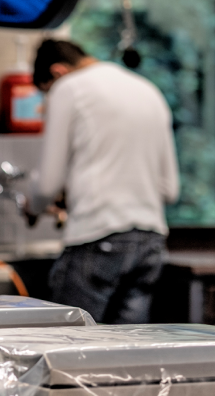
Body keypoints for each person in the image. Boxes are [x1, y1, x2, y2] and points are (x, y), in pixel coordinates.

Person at [28, 39, 180, 324]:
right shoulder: (148, 90)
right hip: (150, 242)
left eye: (46, 94)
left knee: (71, 344)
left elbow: (47, 184)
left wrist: (33, 206)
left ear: (58, 72)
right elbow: (170, 190)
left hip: (98, 235)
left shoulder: (69, 88)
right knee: (129, 350)